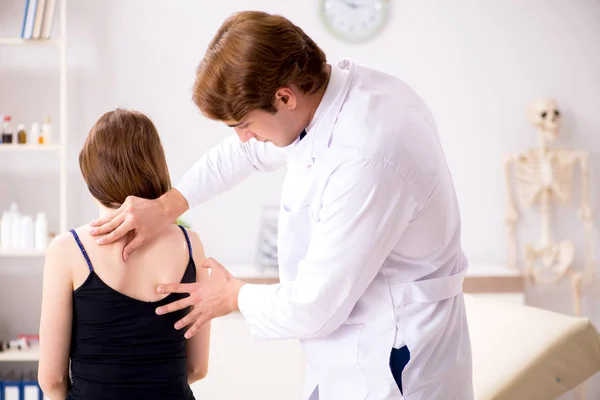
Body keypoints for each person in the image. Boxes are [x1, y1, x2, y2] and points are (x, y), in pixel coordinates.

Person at [90, 11, 473, 400]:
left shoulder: (367, 154)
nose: (243, 138)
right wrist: (168, 206)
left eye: (242, 124)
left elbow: (313, 305)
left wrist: (232, 295)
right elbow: (241, 155)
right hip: (346, 350)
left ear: (284, 97)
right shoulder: (323, 102)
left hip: (393, 361)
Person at [38, 109, 210, 400]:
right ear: (156, 167)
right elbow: (197, 368)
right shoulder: (190, 244)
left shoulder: (67, 250)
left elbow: (52, 380)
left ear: (91, 174)